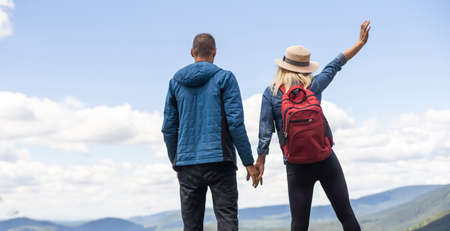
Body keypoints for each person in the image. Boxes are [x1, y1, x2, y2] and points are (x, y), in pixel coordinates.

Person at [255, 21, 371, 231]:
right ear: (305, 68)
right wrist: (359, 44)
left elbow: (265, 133)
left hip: (296, 165)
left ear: (282, 66)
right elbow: (335, 64)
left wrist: (260, 161)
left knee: (299, 224)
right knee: (346, 215)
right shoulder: (313, 85)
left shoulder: (271, 93)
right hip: (325, 159)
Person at [161, 33, 260, 231]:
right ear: (214, 52)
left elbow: (169, 129)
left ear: (192, 52)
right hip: (220, 161)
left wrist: (176, 161)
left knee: (191, 226)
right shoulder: (225, 78)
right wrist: (248, 162)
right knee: (227, 220)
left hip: (187, 164)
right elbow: (235, 124)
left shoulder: (175, 83)